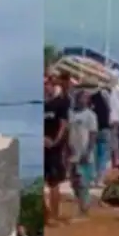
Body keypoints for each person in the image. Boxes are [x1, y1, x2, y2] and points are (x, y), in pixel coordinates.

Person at [68, 90, 98, 219]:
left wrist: (88, 151)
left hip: (84, 153)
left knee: (82, 182)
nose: (82, 100)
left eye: (85, 98)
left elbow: (93, 134)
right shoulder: (70, 114)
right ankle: (82, 205)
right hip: (72, 153)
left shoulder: (90, 115)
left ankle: (84, 209)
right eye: (80, 97)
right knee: (73, 183)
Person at [44, 77, 69, 226]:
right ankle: (46, 215)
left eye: (47, 84)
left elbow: (63, 125)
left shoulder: (60, 103)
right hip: (41, 146)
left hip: (54, 148)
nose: (45, 88)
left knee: (54, 182)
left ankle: (54, 214)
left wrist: (55, 141)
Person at [89, 86, 112, 186]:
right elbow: (110, 109)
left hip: (94, 130)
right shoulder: (105, 95)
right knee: (102, 156)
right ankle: (99, 179)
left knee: (94, 155)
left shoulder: (89, 99)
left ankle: (93, 178)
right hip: (104, 128)